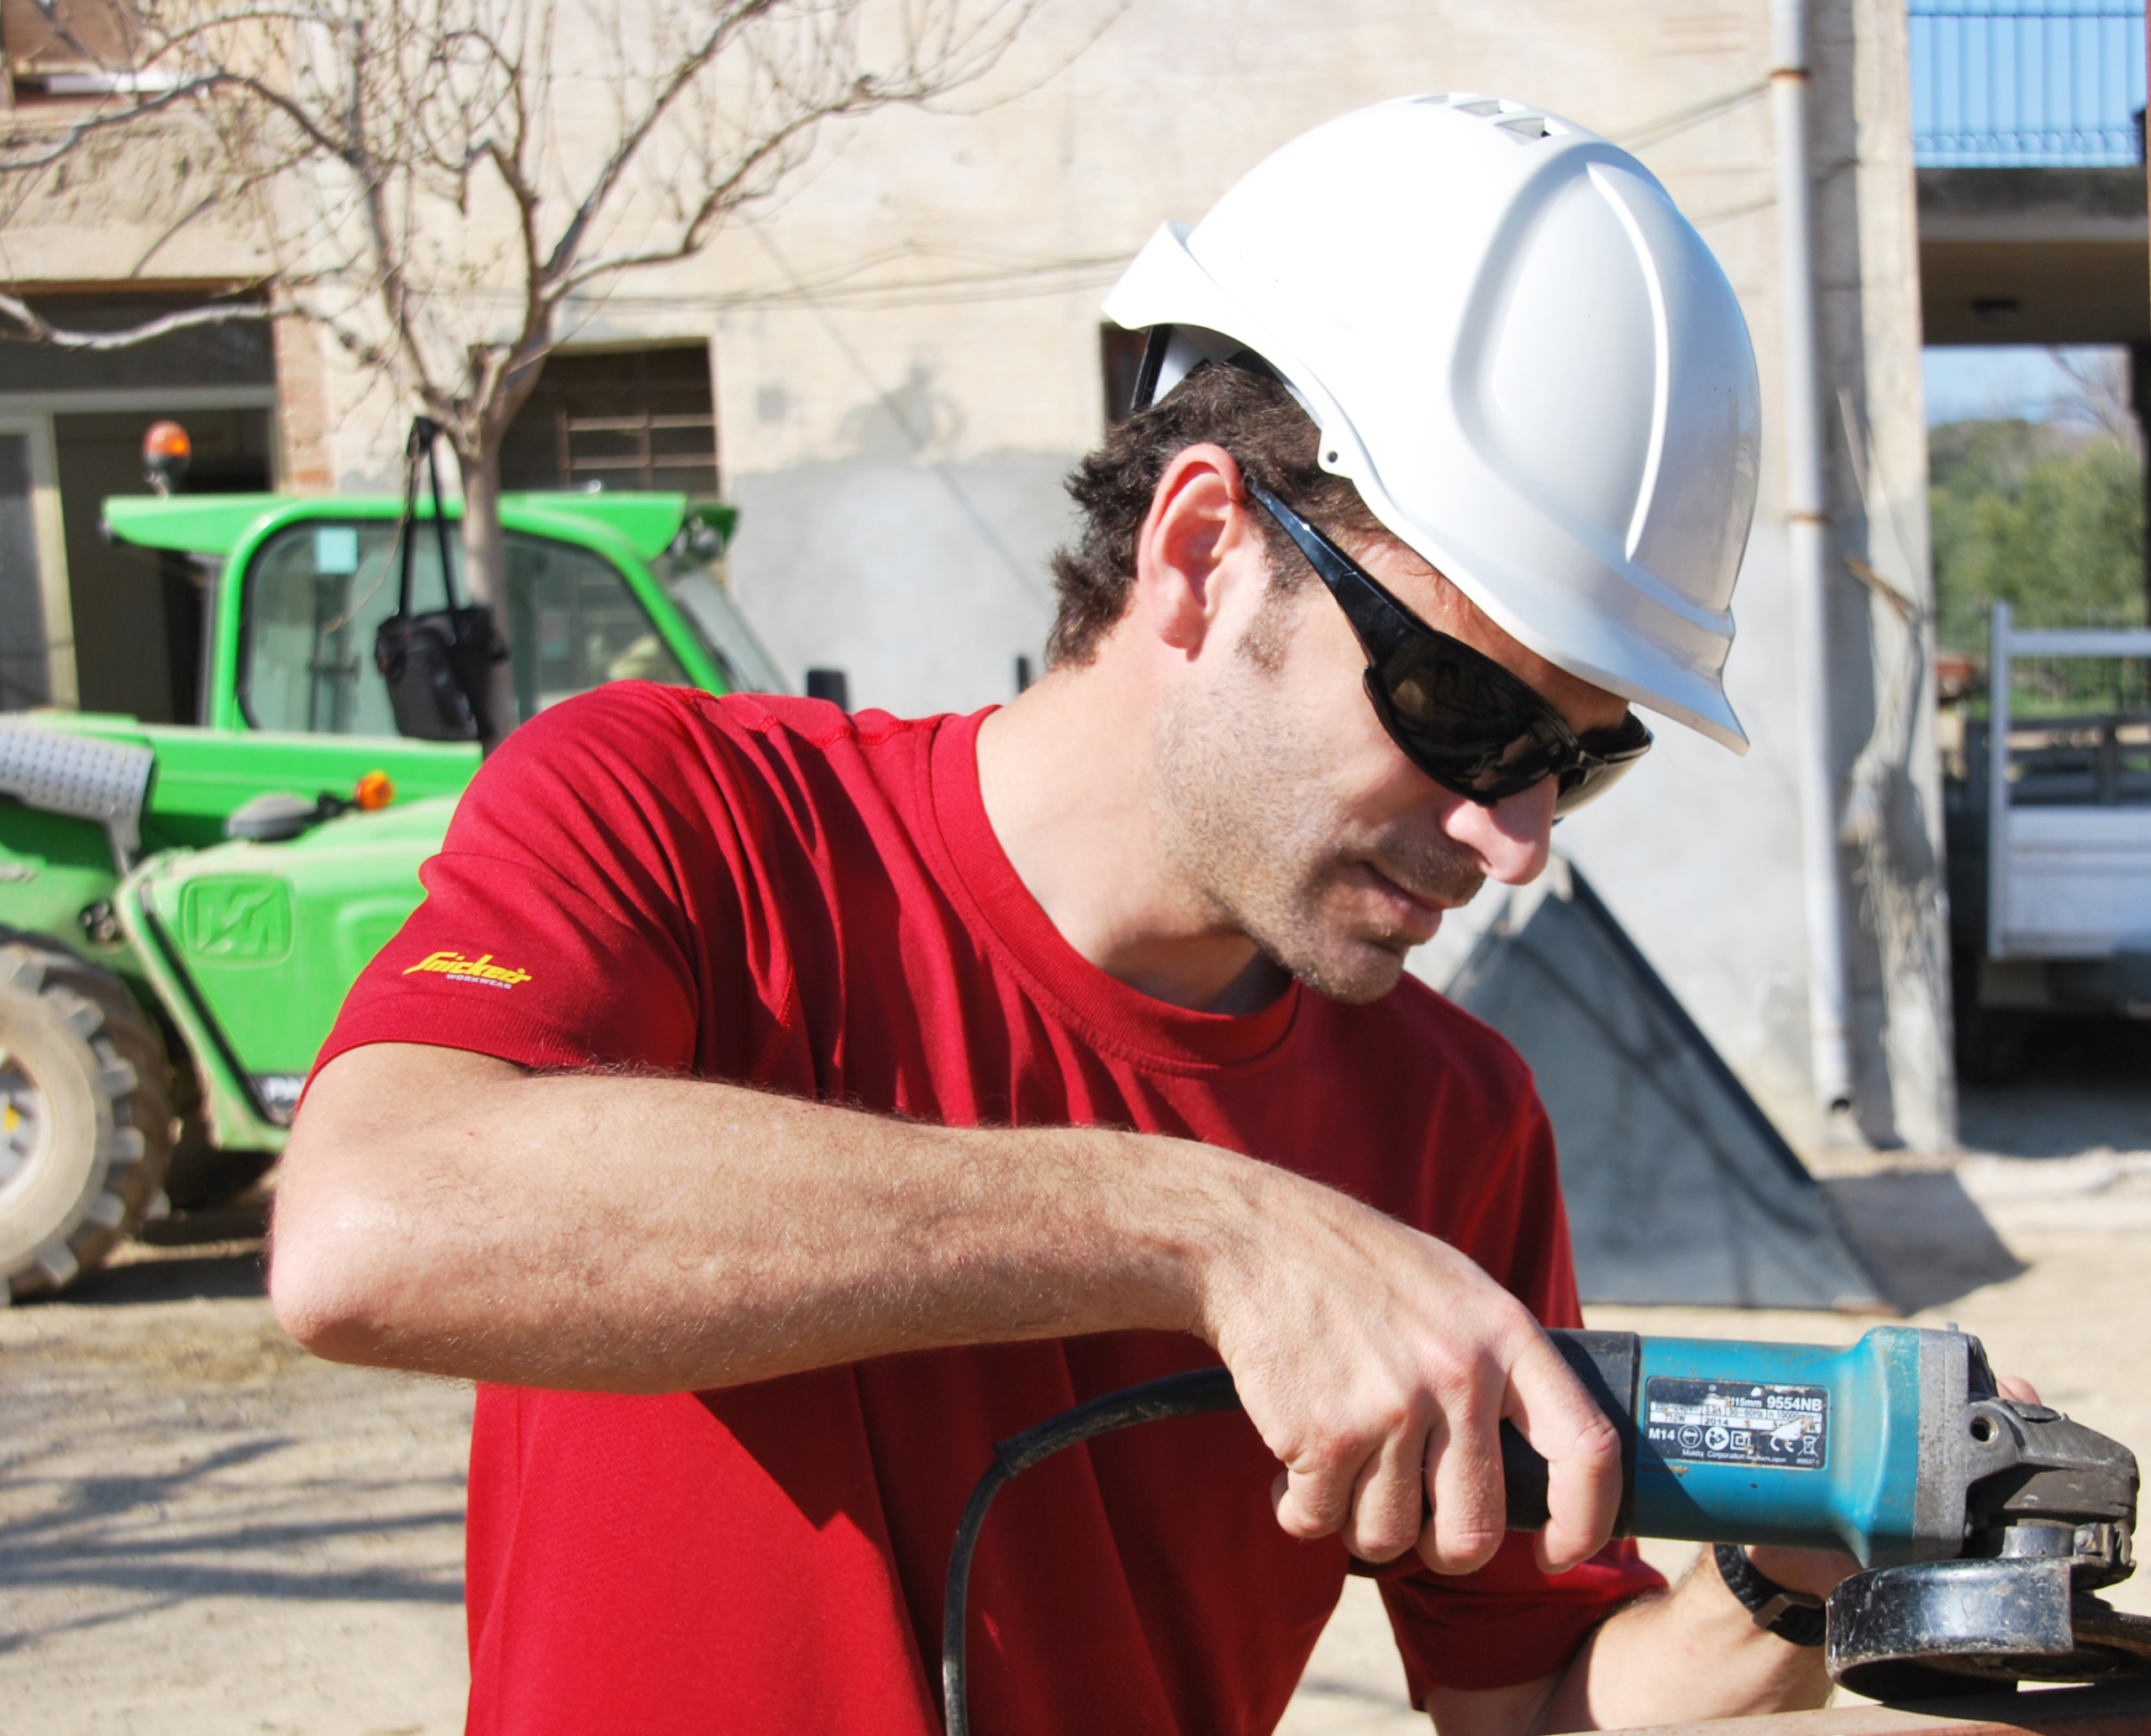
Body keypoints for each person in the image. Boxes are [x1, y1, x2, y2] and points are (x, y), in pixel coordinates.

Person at [273, 97, 1902, 1733]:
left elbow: (1528, 1692)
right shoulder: (685, 814)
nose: (1516, 834)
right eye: (1464, 709)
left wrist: (1796, 1581)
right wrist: (1212, 1233)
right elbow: (373, 1228)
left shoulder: (1449, 1118)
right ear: (1201, 550)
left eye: (1578, 756)